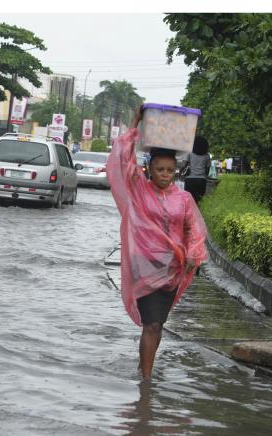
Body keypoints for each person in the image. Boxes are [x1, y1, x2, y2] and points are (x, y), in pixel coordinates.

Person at [106, 105, 208, 381]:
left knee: (158, 324)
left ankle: (144, 369)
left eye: (170, 170)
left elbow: (194, 229)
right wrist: (135, 122)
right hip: (145, 267)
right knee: (151, 323)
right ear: (149, 169)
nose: (165, 174)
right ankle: (147, 381)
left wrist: (193, 252)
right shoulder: (139, 189)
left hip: (172, 271)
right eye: (160, 169)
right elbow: (122, 160)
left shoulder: (183, 199)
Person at [183, 136, 211, 204]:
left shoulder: (190, 153)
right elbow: (207, 168)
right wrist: (205, 176)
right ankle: (197, 212)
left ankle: (190, 213)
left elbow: (184, 165)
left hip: (189, 180)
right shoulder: (207, 156)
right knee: (199, 200)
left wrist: (180, 173)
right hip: (201, 181)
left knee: (189, 200)